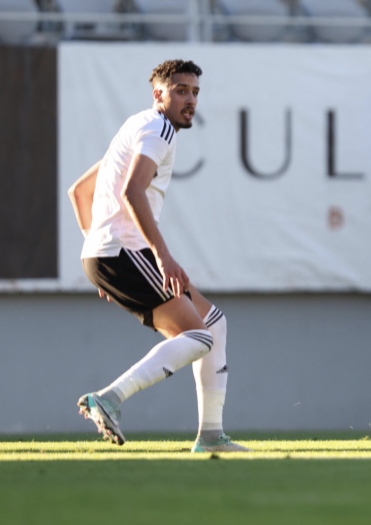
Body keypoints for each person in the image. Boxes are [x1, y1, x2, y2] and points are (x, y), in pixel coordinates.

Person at [67, 59, 248, 453]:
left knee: (213, 325)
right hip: (124, 252)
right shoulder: (160, 129)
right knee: (198, 336)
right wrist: (161, 257)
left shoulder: (136, 125)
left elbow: (78, 192)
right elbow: (133, 192)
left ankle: (212, 437)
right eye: (180, 90)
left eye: (195, 92)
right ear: (158, 95)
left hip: (111, 254)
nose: (190, 100)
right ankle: (110, 398)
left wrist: (98, 253)